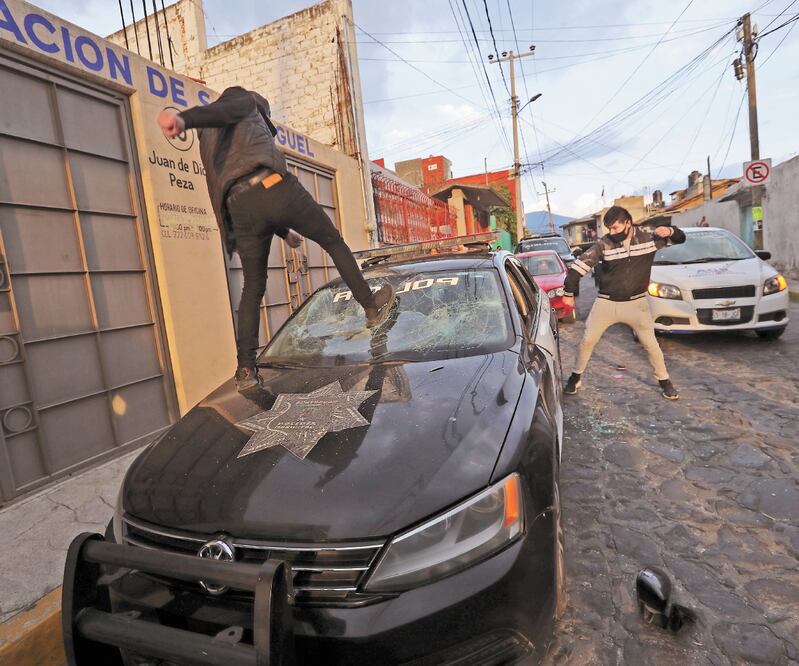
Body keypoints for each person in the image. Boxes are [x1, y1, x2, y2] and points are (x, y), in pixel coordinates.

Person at [157, 86, 394, 391]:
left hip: (240, 209)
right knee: (333, 241)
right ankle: (371, 306)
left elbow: (238, 183)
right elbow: (222, 112)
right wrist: (183, 119)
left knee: (252, 288)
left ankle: (245, 369)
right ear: (259, 109)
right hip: (274, 187)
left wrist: (285, 231)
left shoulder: (208, 140)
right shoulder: (241, 100)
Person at [561, 206, 686, 400]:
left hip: (637, 304)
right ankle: (575, 377)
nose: (612, 233)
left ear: (628, 223)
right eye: (609, 229)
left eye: (616, 228)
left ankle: (665, 381)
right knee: (587, 340)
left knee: (651, 345)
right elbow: (578, 268)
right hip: (607, 303)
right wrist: (568, 292)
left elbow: (681, 239)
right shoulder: (604, 245)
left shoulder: (648, 239)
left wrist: (670, 231)